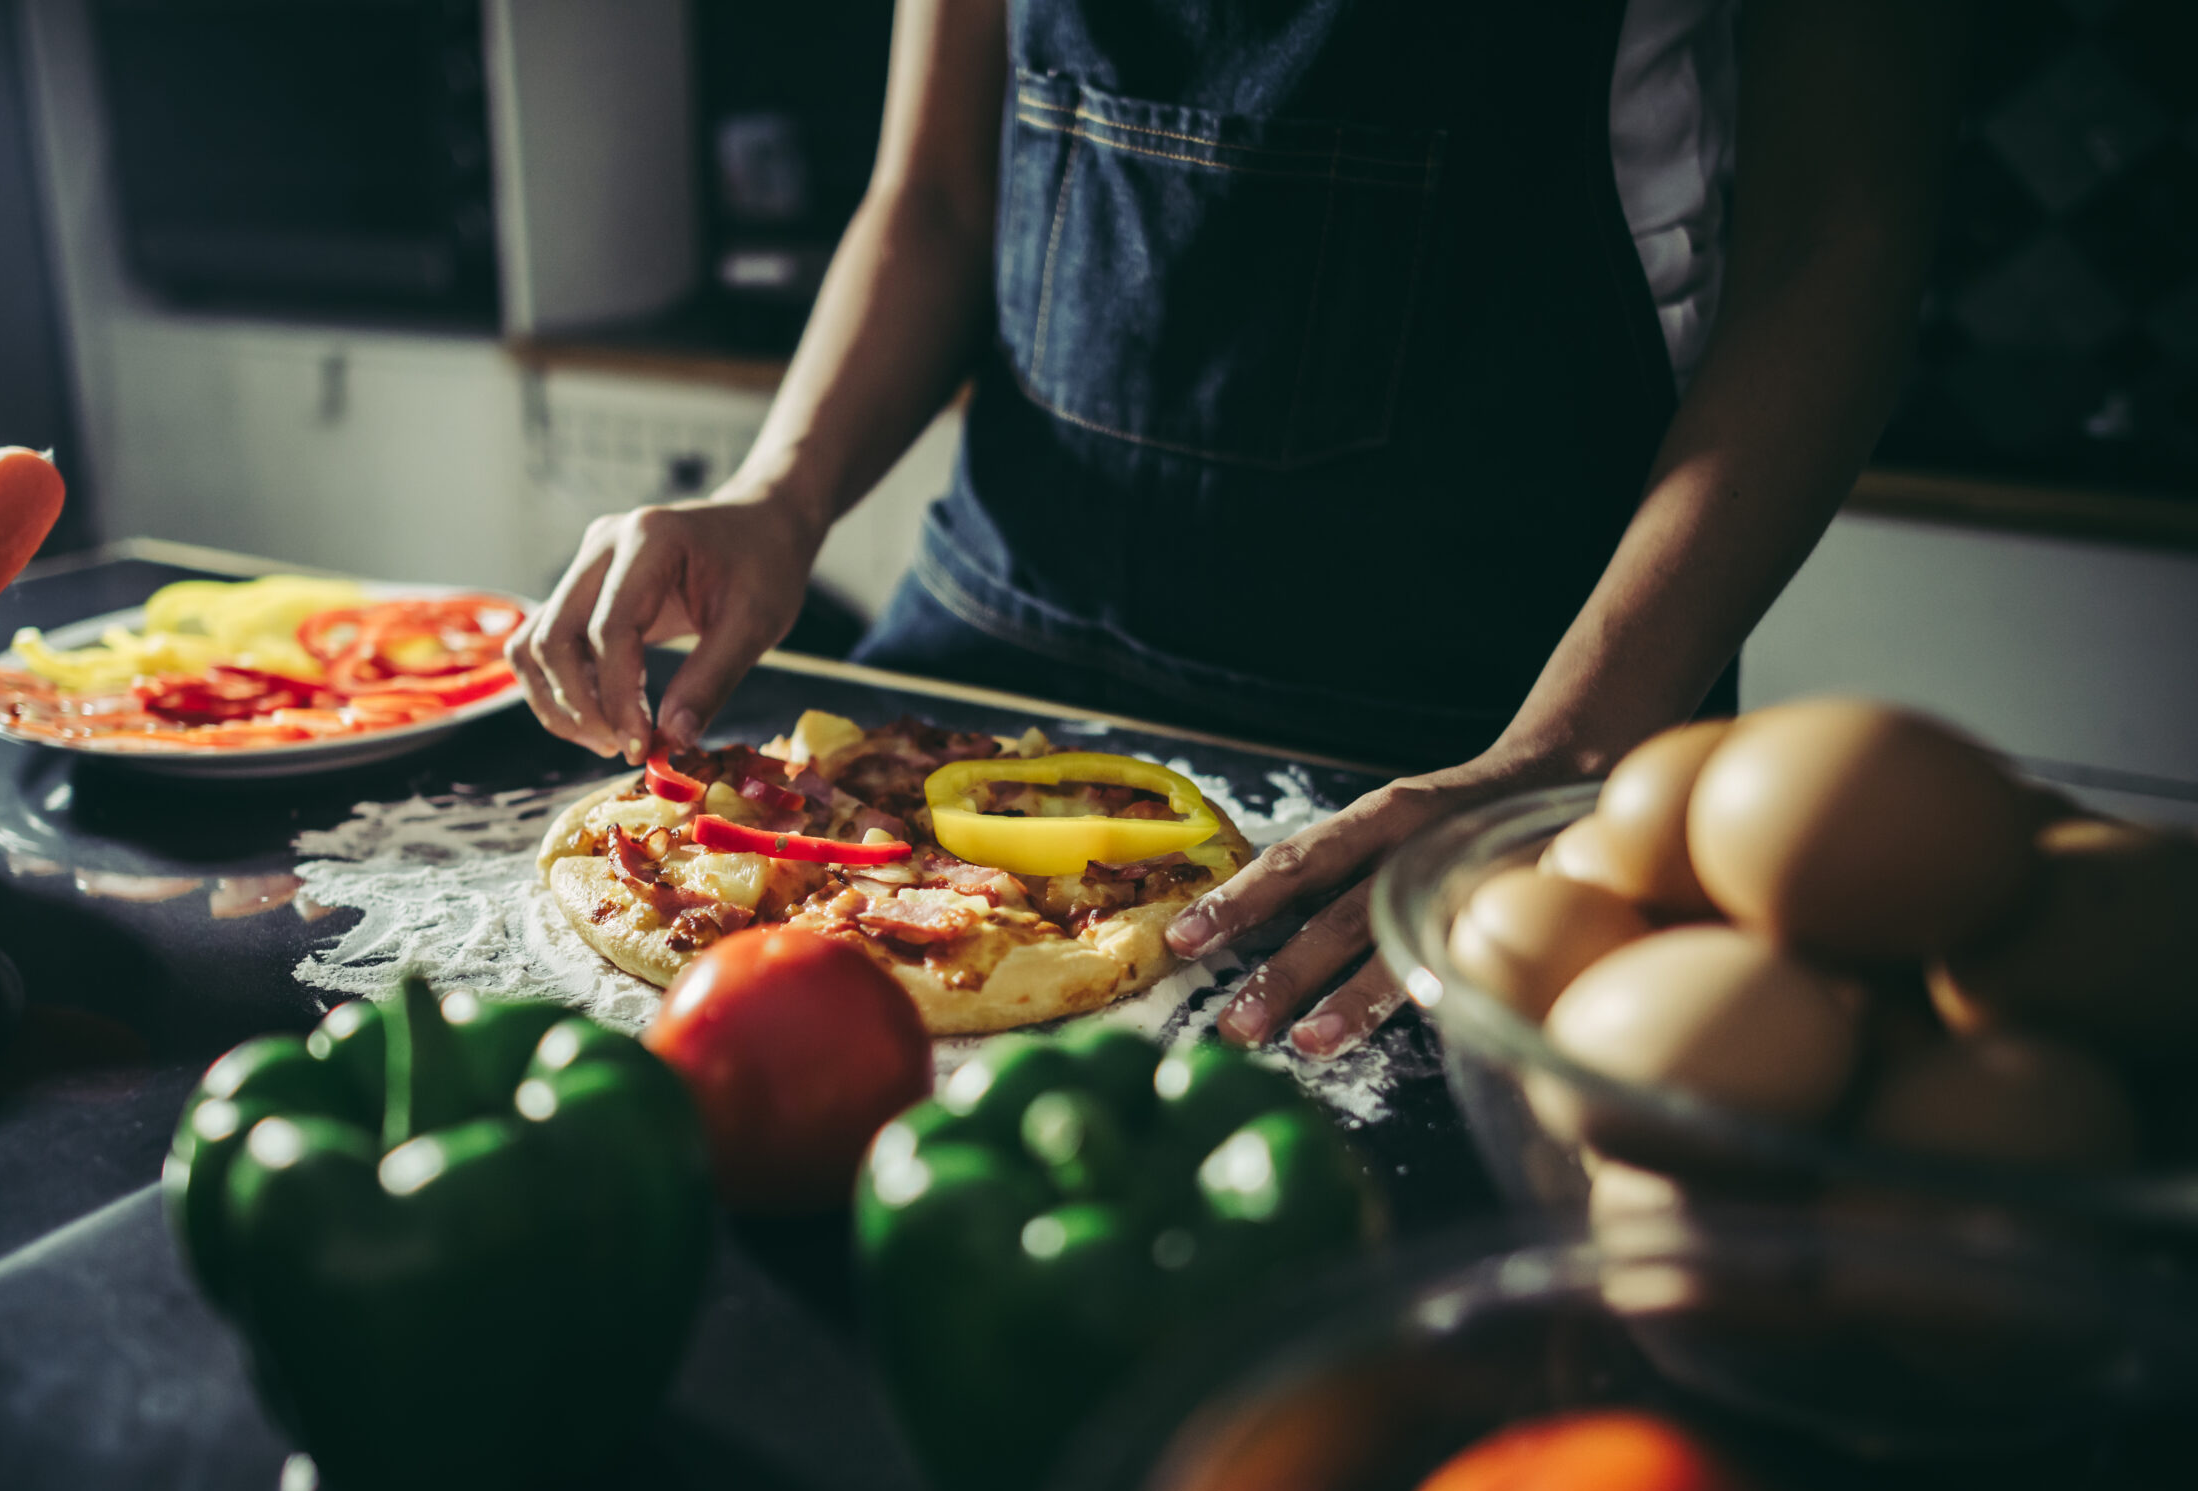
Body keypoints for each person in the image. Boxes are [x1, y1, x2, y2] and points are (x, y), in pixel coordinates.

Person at [507, 0, 1966, 1059]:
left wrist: (1567, 754)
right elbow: (941, 192)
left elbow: (1841, 232)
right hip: (997, 654)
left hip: (1490, 718)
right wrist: (782, 488)